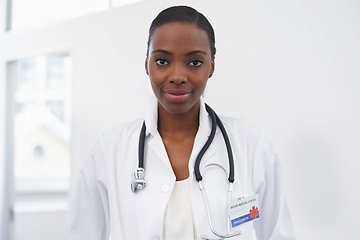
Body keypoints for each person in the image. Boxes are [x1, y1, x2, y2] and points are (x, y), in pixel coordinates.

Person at [63, 5, 296, 240]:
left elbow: (280, 234)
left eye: (194, 62)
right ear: (147, 64)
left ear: (211, 66)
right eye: (162, 61)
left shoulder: (252, 145)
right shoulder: (109, 149)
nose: (177, 76)